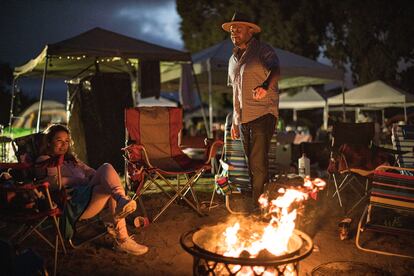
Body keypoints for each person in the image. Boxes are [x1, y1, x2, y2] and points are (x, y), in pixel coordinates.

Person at [35, 124, 148, 256]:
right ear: (49, 142)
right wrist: (82, 180)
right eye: (59, 140)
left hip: (88, 194)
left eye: (66, 141)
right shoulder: (43, 160)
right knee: (108, 175)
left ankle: (123, 238)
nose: (63, 145)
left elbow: (90, 171)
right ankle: (121, 207)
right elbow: (52, 183)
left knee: (109, 182)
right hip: (74, 202)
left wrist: (94, 177)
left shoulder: (72, 160)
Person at [222, 12, 280, 207]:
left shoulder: (263, 50)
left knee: (257, 163)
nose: (234, 32)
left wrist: (265, 86)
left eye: (238, 28)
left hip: (263, 113)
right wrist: (235, 120)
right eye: (231, 30)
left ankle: (259, 207)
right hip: (244, 118)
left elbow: (276, 70)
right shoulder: (232, 60)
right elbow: (235, 92)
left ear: (251, 30)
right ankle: (260, 201)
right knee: (251, 164)